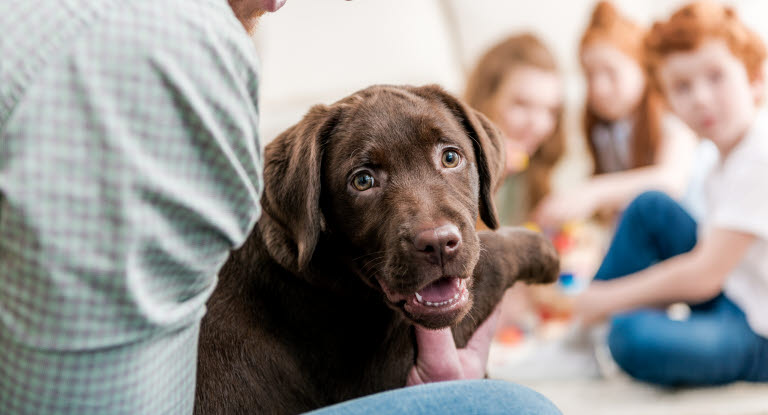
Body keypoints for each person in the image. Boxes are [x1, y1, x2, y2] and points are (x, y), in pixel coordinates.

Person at [0, 0, 560, 413]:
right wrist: (511, 251)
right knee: (516, 407)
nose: (436, 229)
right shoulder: (185, 45)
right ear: (306, 205)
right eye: (364, 179)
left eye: (449, 158)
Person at [574, 0, 768, 386]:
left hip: (759, 330)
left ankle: (591, 319)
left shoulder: (759, 152)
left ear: (754, 78)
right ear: (669, 103)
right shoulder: (717, 160)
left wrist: (606, 298)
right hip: (736, 297)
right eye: (682, 87)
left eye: (716, 77)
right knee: (651, 208)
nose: (700, 98)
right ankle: (584, 331)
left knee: (629, 337)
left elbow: (704, 276)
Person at [534, 1, 699, 227]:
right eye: (590, 75)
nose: (599, 87)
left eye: (611, 72)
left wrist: (594, 191)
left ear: (642, 68)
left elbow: (670, 180)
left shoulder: (672, 116)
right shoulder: (605, 131)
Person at [465, 33, 565, 227]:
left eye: (551, 110)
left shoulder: (539, 165)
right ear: (486, 99)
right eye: (522, 104)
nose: (539, 125)